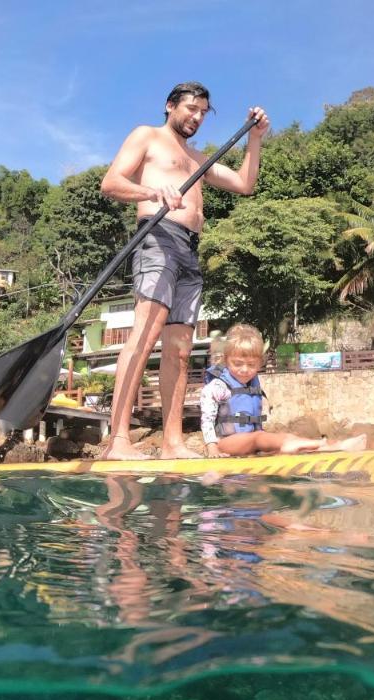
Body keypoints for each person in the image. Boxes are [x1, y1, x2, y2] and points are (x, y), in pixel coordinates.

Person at [99, 82, 271, 460]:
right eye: (190, 108)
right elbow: (111, 183)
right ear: (170, 106)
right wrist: (152, 191)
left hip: (190, 251)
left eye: (203, 112)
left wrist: (255, 139)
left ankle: (172, 443)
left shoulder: (199, 158)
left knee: (178, 352)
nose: (196, 117)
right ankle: (119, 442)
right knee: (144, 336)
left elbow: (244, 184)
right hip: (157, 237)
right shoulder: (147, 136)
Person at [201, 324, 368, 458]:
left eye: (251, 365)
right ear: (226, 361)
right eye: (237, 364)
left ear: (259, 364)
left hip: (250, 442)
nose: (244, 370)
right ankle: (325, 445)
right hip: (225, 442)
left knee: (279, 440)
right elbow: (207, 420)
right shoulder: (218, 386)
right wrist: (212, 448)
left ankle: (330, 446)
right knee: (259, 438)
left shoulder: (252, 383)